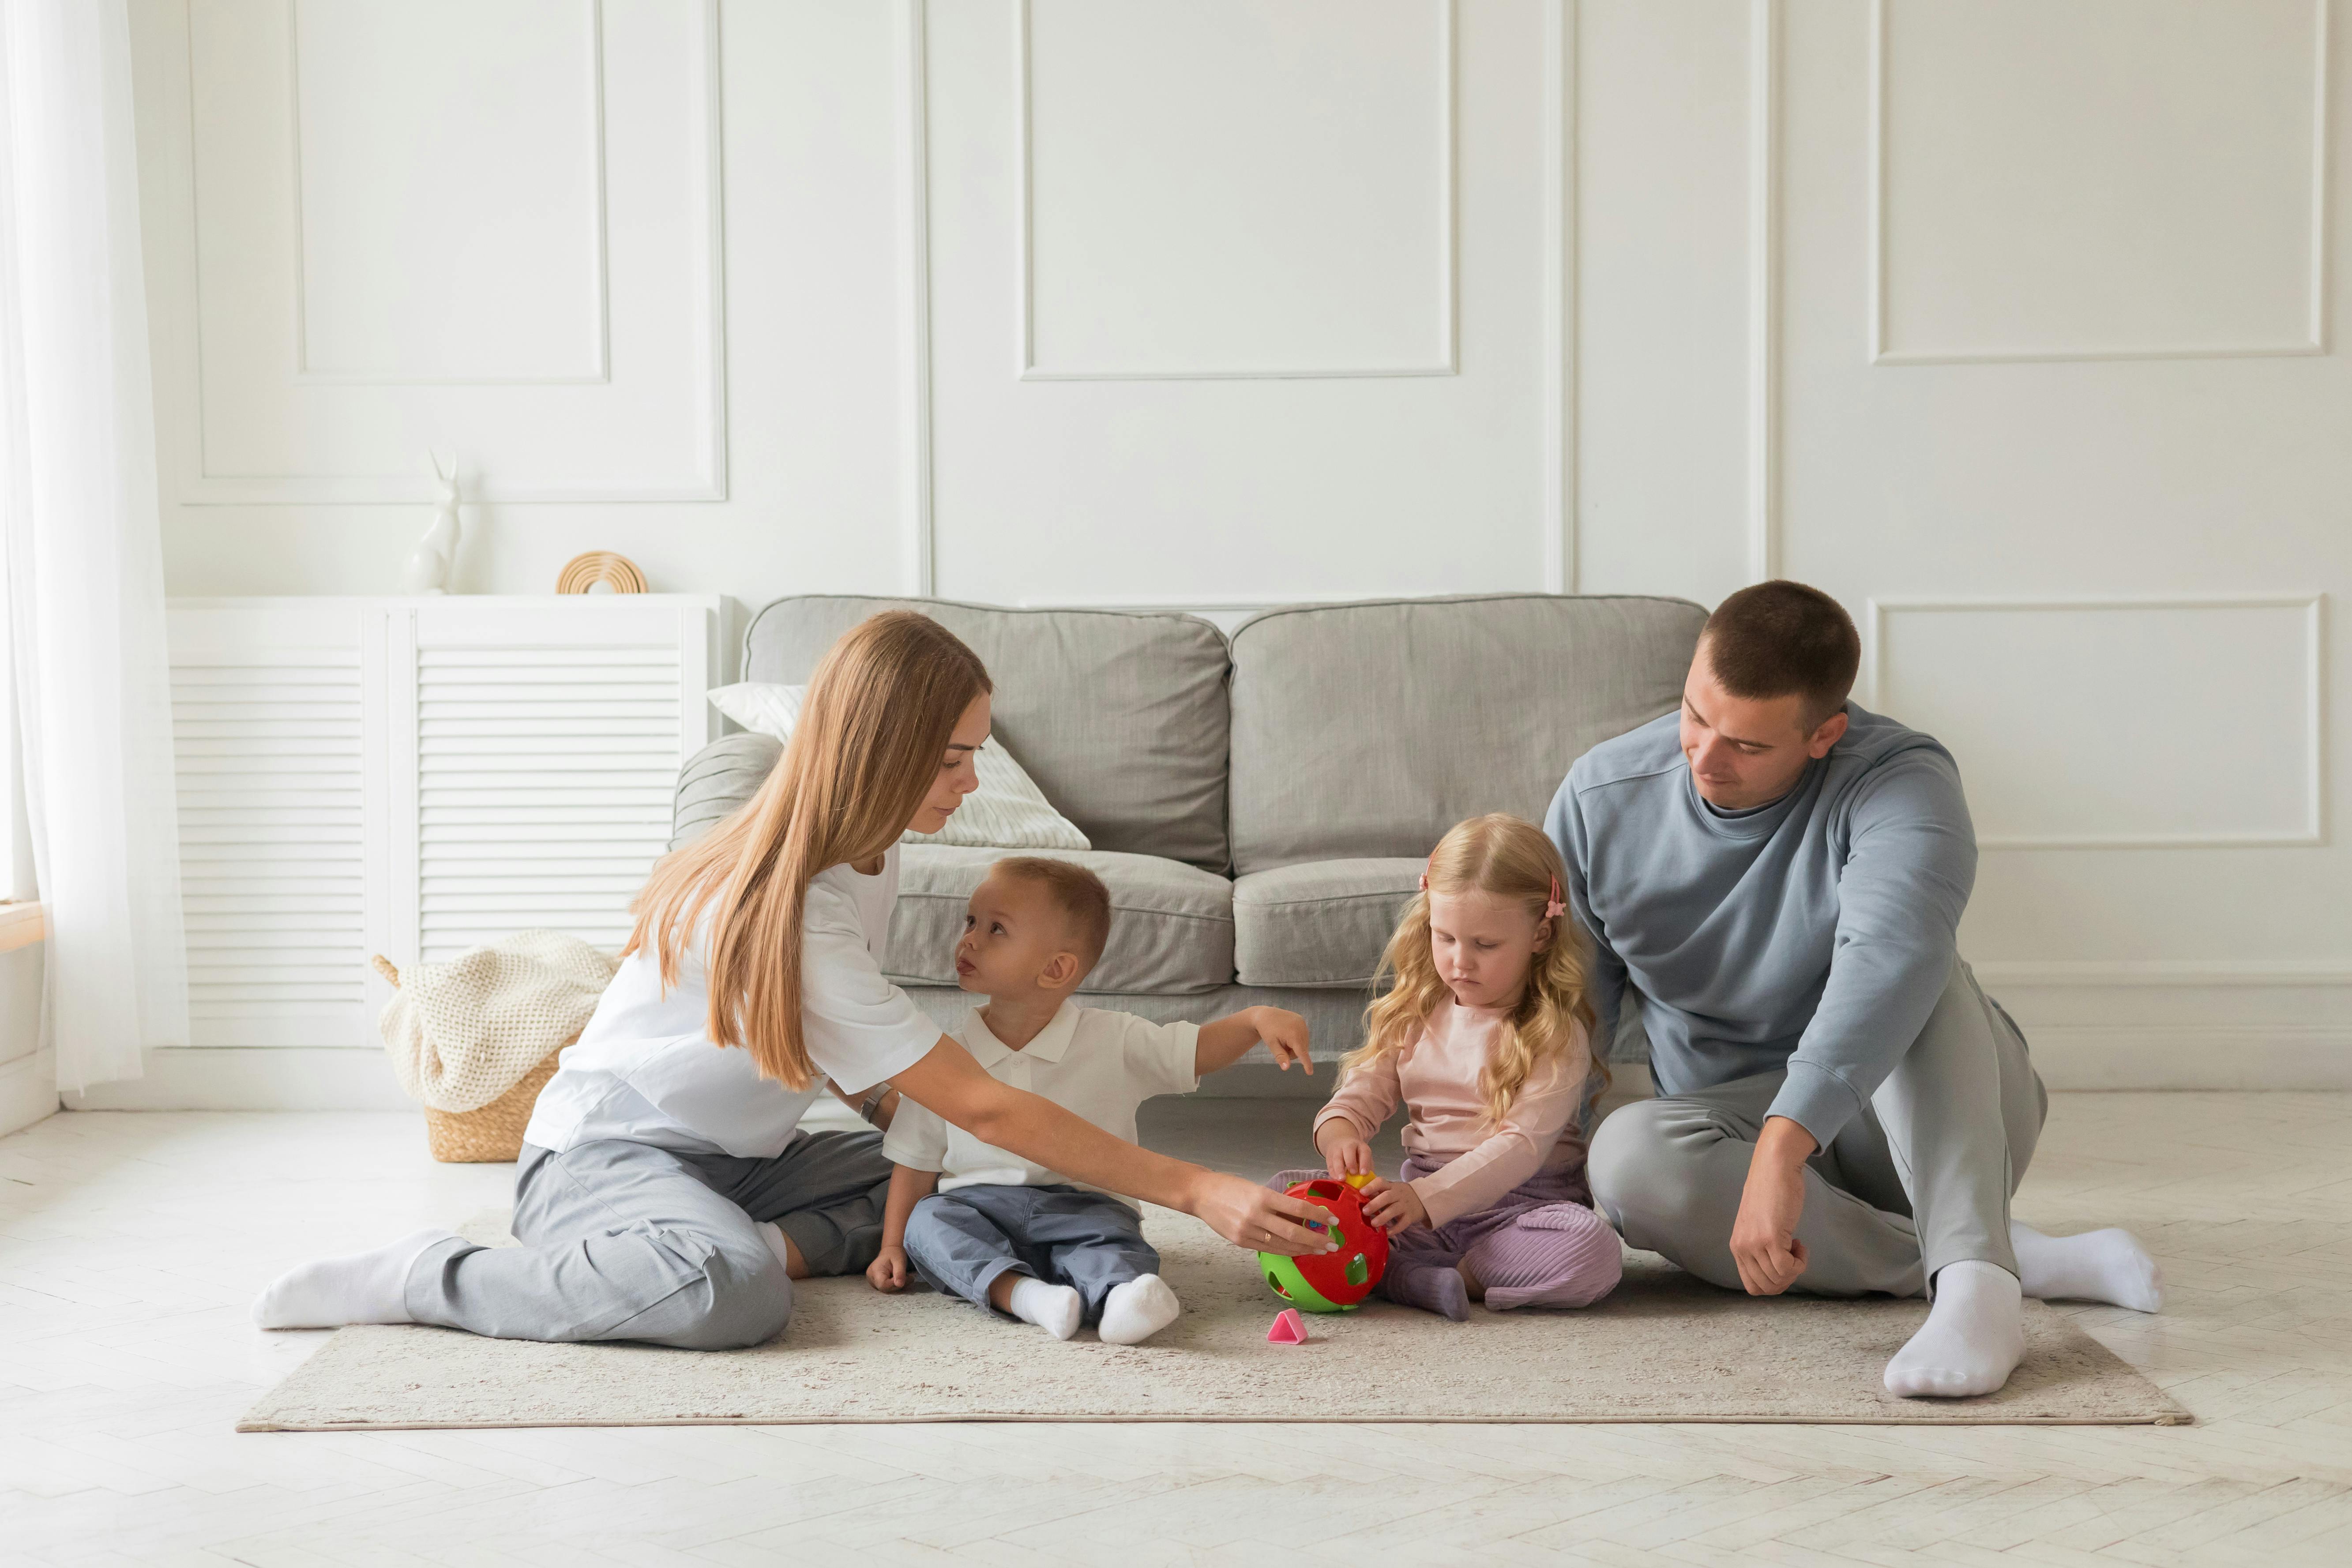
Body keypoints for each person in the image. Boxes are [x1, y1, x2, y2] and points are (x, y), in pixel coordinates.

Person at [252, 612, 1332, 1348]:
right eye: (954, 757)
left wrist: (902, 1124)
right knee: (731, 1293)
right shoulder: (795, 896)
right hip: (598, 1162)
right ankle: (426, 1276)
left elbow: (897, 1092)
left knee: (951, 1182)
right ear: (884, 749)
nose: (969, 779)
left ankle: (724, 1237)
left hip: (742, 1164)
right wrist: (1197, 1187)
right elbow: (985, 1097)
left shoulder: (873, 846)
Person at [1548, 580, 2161, 1399]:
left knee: (1921, 969)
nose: (1703, 757)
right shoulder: (1599, 795)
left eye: (1747, 744)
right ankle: (1996, 1254)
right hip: (1725, 1132)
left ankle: (1979, 1284)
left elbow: (1891, 954)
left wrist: (1783, 1143)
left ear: (1824, 734)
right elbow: (1564, 1009)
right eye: (1695, 716)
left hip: (1918, 1114)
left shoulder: (1904, 780)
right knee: (1624, 1158)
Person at [865, 857, 1313, 1344]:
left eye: (996, 929)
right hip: (978, 1207)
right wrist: (891, 1244)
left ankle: (1122, 1297)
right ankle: (1026, 1297)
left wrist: (1252, 1020)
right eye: (970, 922)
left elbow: (1194, 1052)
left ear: (1056, 968)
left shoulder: (1113, 1038)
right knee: (928, 1223)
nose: (968, 939)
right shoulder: (945, 1059)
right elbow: (914, 1163)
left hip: (1085, 1205)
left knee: (1112, 1242)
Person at [1300, 814, 1623, 1321]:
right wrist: (1339, 1134)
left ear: (1540, 935)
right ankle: (1411, 1265)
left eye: (1484, 945)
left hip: (1524, 1209)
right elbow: (1358, 1096)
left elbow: (1519, 1148)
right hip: (1419, 1203)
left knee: (1591, 1251)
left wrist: (1424, 1199)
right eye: (1444, 937)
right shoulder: (1413, 1011)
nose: (1458, 962)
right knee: (1284, 1196)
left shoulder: (1554, 1033)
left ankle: (1424, 1275)